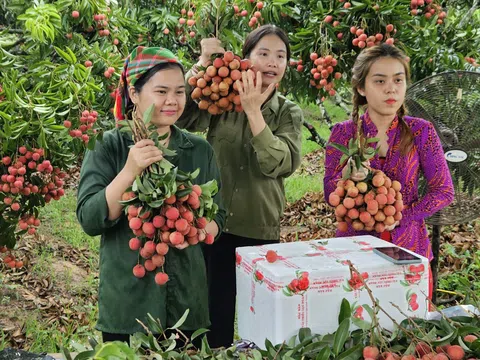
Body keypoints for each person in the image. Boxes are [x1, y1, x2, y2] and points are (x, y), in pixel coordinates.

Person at [76, 46, 226, 345]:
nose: (172, 101)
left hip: (187, 305)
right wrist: (129, 171)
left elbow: (218, 217)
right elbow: (90, 219)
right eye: (161, 91)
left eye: (180, 92)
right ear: (134, 93)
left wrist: (194, 230)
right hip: (128, 308)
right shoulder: (109, 146)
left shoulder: (199, 150)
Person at [176, 25, 304, 348]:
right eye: (263, 54)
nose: (272, 63)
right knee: (211, 319)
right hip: (214, 225)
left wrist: (253, 112)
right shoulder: (223, 97)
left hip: (257, 230)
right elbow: (180, 119)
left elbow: (281, 163)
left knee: (260, 325)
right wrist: (202, 65)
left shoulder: (288, 113)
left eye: (280, 56)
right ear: (245, 59)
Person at [324, 43, 454, 261]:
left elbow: (443, 191)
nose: (391, 88)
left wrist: (403, 216)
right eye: (380, 81)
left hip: (409, 249)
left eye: (398, 80)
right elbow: (330, 194)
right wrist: (345, 177)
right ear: (361, 87)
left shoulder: (421, 132)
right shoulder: (343, 133)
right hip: (355, 251)